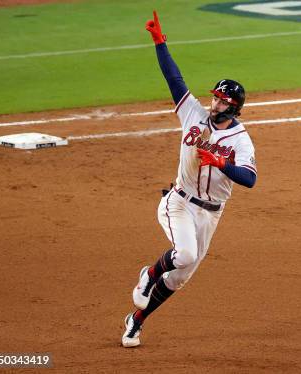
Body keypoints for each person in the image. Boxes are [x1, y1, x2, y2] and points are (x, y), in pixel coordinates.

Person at [122, 10, 257, 348]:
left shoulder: (240, 140)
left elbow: (250, 179)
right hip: (179, 202)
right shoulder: (193, 114)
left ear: (233, 107)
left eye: (221, 100)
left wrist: (221, 164)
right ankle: (148, 275)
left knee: (180, 278)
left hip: (210, 214)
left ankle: (136, 321)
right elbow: (174, 79)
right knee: (183, 254)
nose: (213, 103)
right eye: (214, 97)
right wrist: (159, 42)